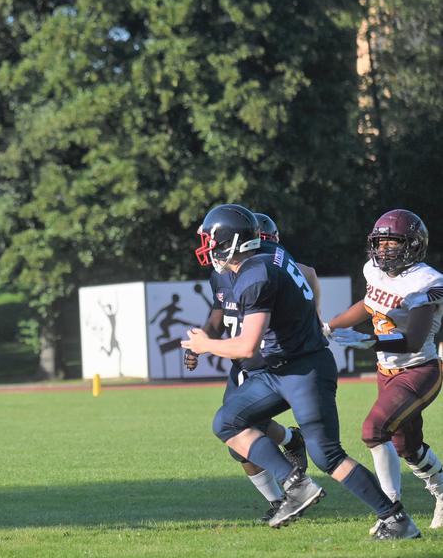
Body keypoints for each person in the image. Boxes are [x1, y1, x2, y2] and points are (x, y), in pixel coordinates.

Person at [181, 203, 420, 539]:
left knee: (328, 456)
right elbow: (304, 272)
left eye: (212, 240)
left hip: (304, 369)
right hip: (276, 369)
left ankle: (396, 519)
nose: (208, 247)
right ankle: (295, 482)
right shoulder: (268, 253)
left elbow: (247, 346)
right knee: (227, 422)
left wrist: (204, 344)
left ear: (231, 242)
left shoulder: (255, 273)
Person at [185, 211, 308, 522]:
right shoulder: (222, 273)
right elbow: (218, 312)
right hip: (242, 365)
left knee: (235, 426)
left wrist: (313, 318)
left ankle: (293, 486)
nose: (208, 247)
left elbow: (308, 273)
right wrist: (203, 341)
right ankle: (283, 493)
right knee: (238, 442)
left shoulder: (262, 268)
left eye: (212, 241)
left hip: (268, 363)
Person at [326, 209, 443, 532]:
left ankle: (392, 514)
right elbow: (367, 305)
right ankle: (441, 490)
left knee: (373, 430)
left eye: (394, 242)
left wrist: (370, 341)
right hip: (386, 372)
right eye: (381, 242)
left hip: (419, 370)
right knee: (408, 446)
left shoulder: (428, 281)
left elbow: (414, 340)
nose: (385, 249)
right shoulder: (373, 272)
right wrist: (328, 327)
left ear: (414, 245)